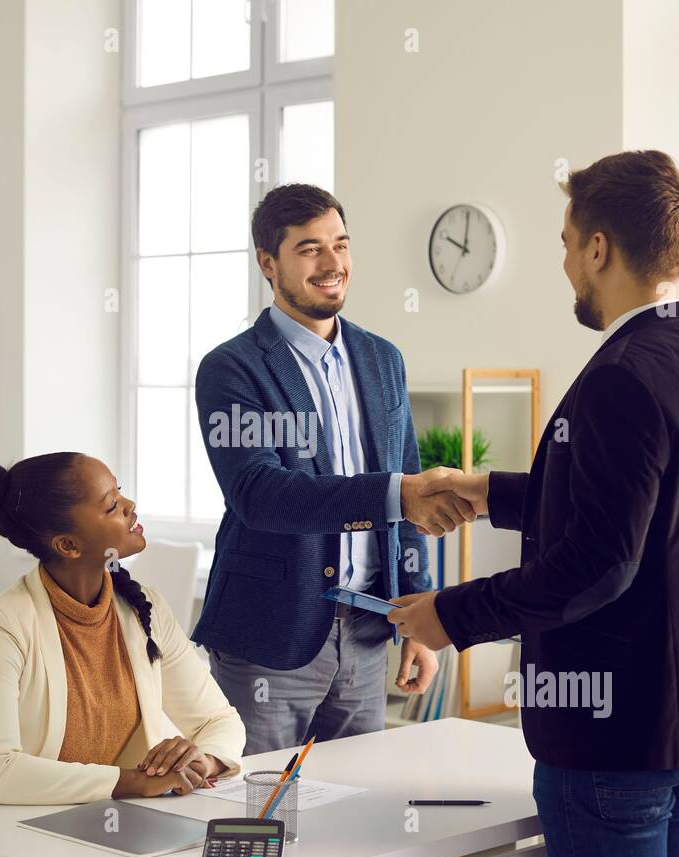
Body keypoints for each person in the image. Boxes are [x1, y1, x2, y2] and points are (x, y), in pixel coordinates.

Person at [387, 150, 679, 857]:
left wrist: (451, 616)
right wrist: (489, 491)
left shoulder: (621, 375)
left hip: (620, 737)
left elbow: (597, 565)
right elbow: (648, 510)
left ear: (599, 248)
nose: (565, 266)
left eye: (566, 245)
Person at [192, 182, 475, 756]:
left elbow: (409, 486)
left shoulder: (382, 358)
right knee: (260, 822)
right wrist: (398, 493)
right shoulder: (233, 369)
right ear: (268, 263)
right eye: (309, 249)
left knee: (357, 819)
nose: (332, 264)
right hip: (271, 636)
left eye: (340, 245)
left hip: (369, 632)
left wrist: (421, 611)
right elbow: (262, 494)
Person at [0, 452, 246, 816]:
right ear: (68, 545)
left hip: (87, 823)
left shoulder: (145, 609)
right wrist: (132, 781)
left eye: (121, 493)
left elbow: (218, 720)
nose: (130, 506)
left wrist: (203, 761)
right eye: (112, 504)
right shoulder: (1, 621)